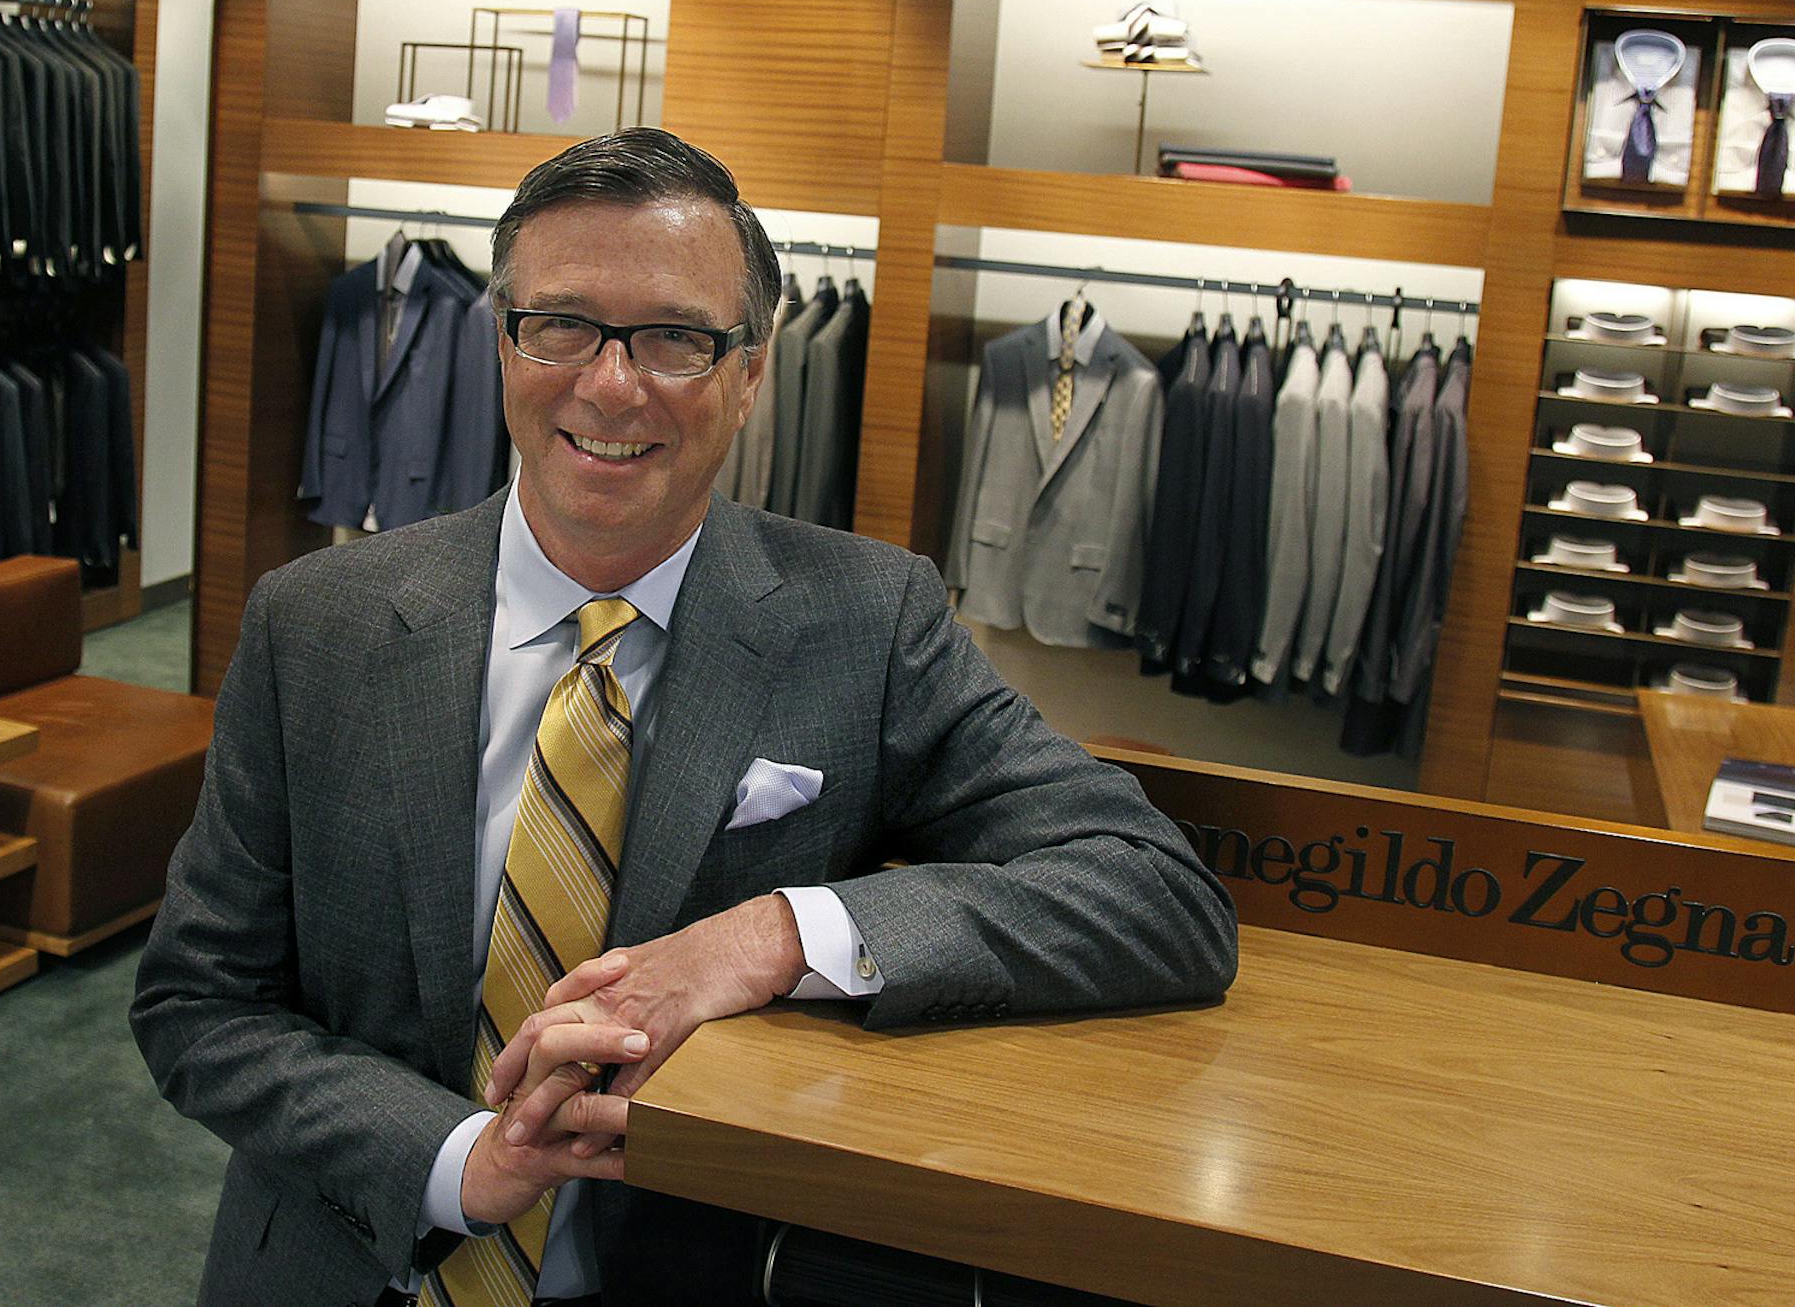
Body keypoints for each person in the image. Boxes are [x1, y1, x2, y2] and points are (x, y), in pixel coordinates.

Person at [132, 128, 1237, 1307]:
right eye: (562, 324)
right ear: (503, 342)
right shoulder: (315, 624)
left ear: (751, 374)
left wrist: (768, 936)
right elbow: (200, 999)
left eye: (675, 337)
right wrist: (457, 1161)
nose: (612, 385)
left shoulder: (870, 622)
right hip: (345, 1261)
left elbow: (1156, 891)